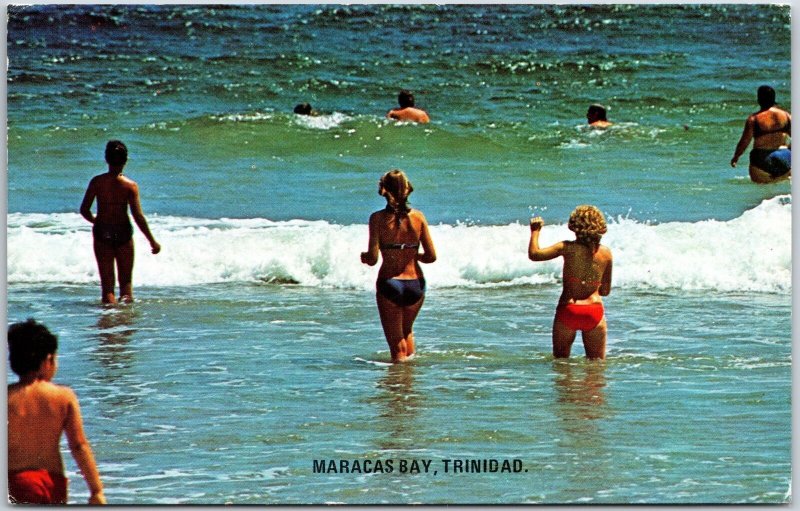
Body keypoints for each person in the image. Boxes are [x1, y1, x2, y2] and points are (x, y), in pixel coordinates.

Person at [8, 319, 106, 505]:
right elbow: (79, 446)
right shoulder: (63, 397)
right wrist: (96, 490)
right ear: (48, 360)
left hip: (11, 482)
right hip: (50, 483)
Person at [361, 170, 437, 362]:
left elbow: (372, 258)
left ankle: (397, 389)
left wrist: (364, 257)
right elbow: (431, 257)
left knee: (396, 348)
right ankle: (409, 386)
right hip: (416, 284)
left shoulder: (377, 219)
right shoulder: (418, 217)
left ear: (383, 190)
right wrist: (412, 254)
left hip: (390, 283)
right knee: (407, 332)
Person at [80, 140, 161, 304]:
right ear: (126, 160)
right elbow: (138, 216)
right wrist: (152, 241)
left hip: (102, 232)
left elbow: (84, 210)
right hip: (123, 232)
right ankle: (125, 324)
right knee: (126, 285)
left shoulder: (97, 182)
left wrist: (96, 221)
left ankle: (108, 323)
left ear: (106, 159)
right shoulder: (130, 186)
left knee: (107, 288)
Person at [528, 205, 613, 360]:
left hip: (569, 309)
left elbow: (535, 254)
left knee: (561, 364)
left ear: (574, 227)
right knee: (596, 368)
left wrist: (535, 231)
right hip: (594, 312)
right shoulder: (606, 254)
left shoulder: (567, 247)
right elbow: (605, 291)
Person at [731, 85, 791, 183]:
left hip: (762, 160)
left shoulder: (754, 119)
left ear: (759, 99)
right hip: (785, 158)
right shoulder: (786, 116)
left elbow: (744, 142)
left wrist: (736, 157)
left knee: (762, 192)